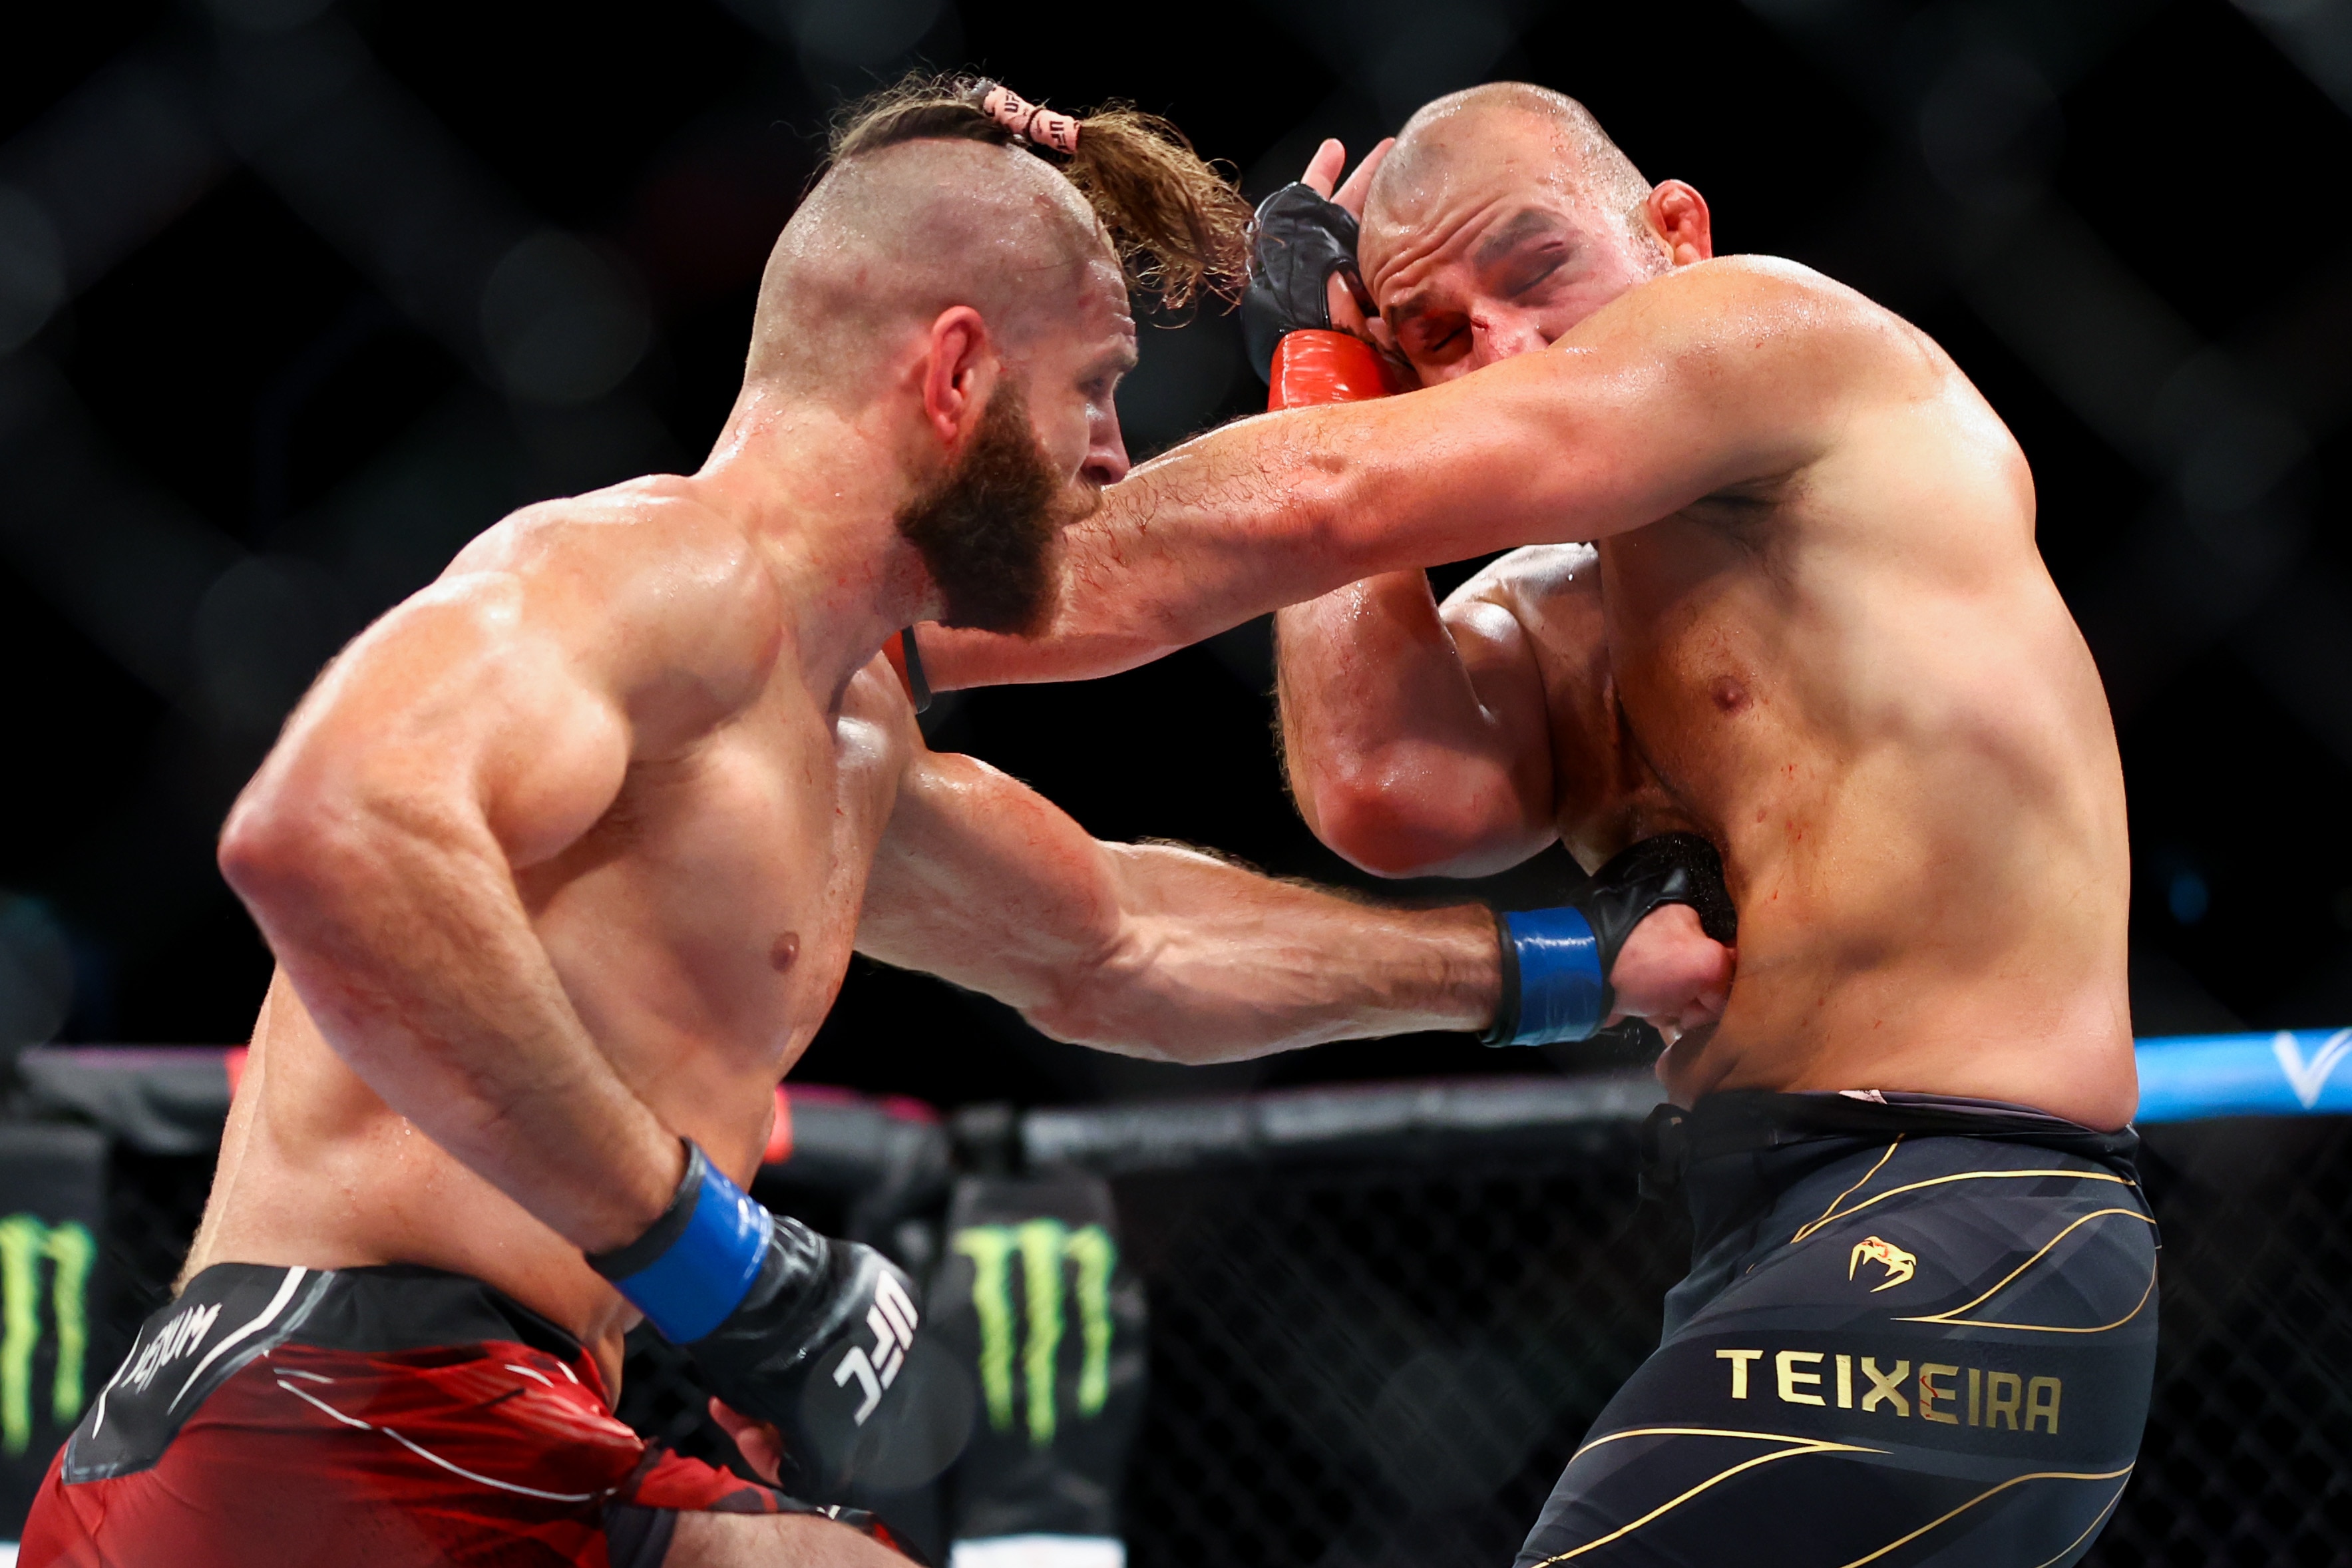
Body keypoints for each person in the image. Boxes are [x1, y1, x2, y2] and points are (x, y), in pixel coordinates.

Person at [18, 79, 1732, 1568]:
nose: (1117, 460)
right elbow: (326, 831)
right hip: (325, 1420)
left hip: (494, 1422)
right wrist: (725, 1269)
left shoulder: (837, 742)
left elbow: (1124, 944)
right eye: (1097, 390)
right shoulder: (646, 572)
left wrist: (1577, 961)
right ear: (957, 374)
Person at [916, 83, 2154, 1567]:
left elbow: (1311, 505)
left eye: (1537, 264)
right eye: (1433, 333)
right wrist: (1320, 381)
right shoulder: (1559, 613)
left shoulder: (1792, 341)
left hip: (1972, 1227)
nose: (1502, 344)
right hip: (1770, 1237)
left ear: (1676, 234)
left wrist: (855, 617)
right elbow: (1387, 786)